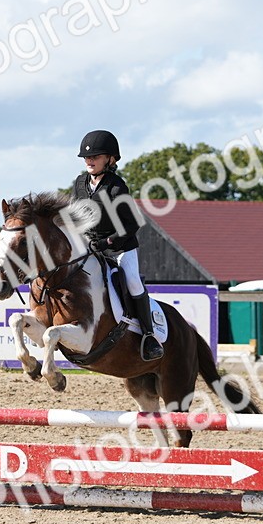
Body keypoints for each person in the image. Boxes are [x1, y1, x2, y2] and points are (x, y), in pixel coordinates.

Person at [71, 129, 162, 361]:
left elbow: (131, 225)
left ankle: (149, 336)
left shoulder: (116, 187)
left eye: (95, 156)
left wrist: (105, 242)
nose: (89, 160)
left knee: (132, 281)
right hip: (89, 247)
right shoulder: (80, 184)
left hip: (119, 247)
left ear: (110, 159)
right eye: (87, 157)